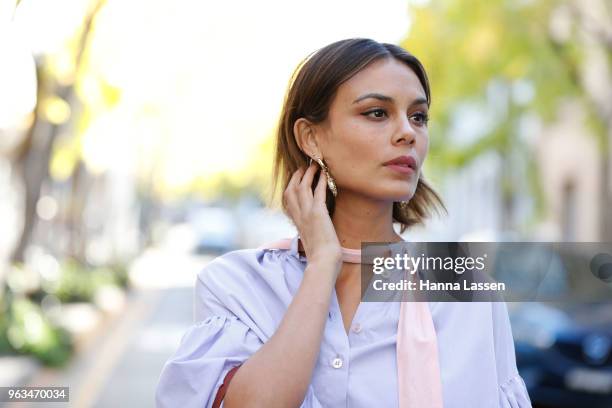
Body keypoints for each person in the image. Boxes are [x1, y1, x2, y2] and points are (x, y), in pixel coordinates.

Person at [155, 38, 532, 408]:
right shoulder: (238, 285)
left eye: (418, 117)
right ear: (311, 137)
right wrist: (322, 265)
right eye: (377, 113)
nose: (408, 132)